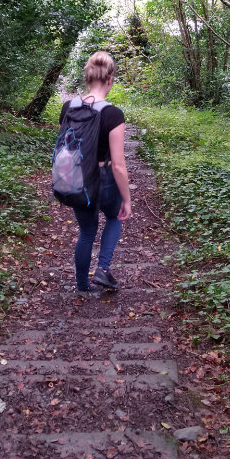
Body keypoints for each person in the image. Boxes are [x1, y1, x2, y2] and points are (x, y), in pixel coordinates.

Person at [64, 51, 131, 292]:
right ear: (110, 79)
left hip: (76, 177)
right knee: (115, 217)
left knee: (86, 230)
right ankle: (102, 270)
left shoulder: (68, 107)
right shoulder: (113, 114)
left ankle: (82, 285)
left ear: (87, 77)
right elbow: (119, 164)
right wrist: (127, 199)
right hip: (104, 178)